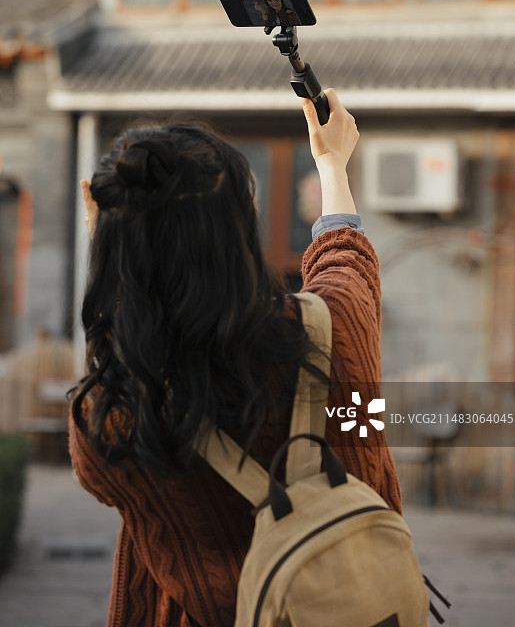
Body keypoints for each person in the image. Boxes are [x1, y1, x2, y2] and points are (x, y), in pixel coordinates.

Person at [69, 89, 401, 627]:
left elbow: (130, 345)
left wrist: (121, 257)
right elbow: (345, 259)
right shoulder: (333, 325)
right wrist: (332, 164)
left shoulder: (115, 412)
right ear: (240, 233)